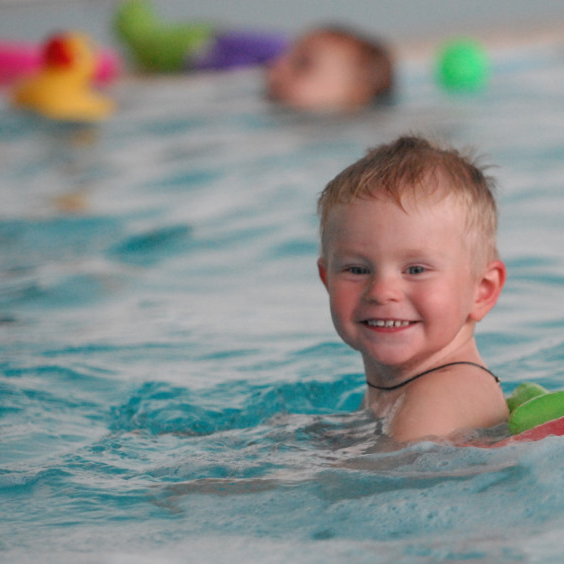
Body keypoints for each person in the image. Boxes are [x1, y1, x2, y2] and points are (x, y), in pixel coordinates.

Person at [316, 136, 508, 445]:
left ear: (482, 291)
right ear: (327, 279)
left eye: (415, 270)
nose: (381, 292)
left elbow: (368, 489)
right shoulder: (405, 391)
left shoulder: (439, 398)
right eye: (357, 270)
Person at [114, 0, 393, 112]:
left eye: (302, 64)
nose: (277, 64)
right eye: (290, 56)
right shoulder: (255, 75)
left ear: (356, 94)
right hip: (201, 44)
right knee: (144, 38)